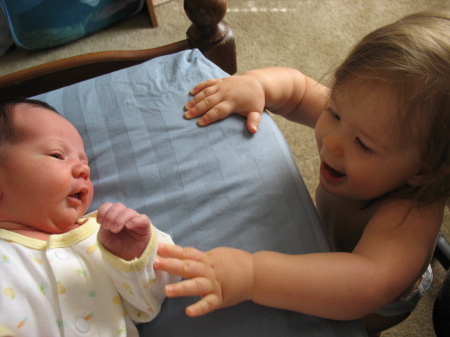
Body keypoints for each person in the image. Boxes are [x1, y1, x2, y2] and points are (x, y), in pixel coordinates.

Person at [153, 10, 450, 336]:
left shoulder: (409, 220)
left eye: (363, 145)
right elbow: (298, 89)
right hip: (336, 242)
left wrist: (253, 275)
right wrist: (257, 84)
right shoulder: (365, 117)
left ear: (422, 170)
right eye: (335, 113)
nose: (331, 143)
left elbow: (362, 285)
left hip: (376, 302)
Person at [0, 98, 180, 337]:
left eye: (84, 161)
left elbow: (147, 307)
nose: (83, 169)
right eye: (57, 155)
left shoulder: (105, 233)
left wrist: (134, 255)